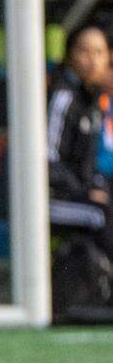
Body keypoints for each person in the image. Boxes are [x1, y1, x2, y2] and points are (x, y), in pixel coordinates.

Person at [47, 26, 113, 257]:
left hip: (78, 193)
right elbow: (49, 161)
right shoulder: (63, 98)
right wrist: (83, 192)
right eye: (84, 51)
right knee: (101, 214)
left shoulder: (93, 99)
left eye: (98, 52)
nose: (92, 60)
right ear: (70, 55)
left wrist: (95, 186)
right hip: (49, 199)